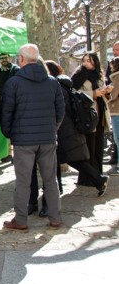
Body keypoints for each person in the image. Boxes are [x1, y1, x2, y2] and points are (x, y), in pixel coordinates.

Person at [1, 43, 64, 231]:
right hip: (47, 138)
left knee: (23, 181)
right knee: (50, 179)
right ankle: (55, 217)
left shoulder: (13, 83)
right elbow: (60, 111)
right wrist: (52, 129)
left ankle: (20, 220)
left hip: (23, 140)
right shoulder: (52, 82)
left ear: (21, 59)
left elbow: (6, 112)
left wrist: (9, 134)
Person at [40, 60, 107, 200]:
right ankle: (97, 180)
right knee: (65, 159)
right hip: (69, 128)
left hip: (63, 130)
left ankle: (98, 179)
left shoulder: (55, 86)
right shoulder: (64, 84)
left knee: (66, 159)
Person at [72, 53, 112, 182]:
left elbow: (103, 95)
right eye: (84, 61)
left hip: (100, 114)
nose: (86, 63)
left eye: (89, 61)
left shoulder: (99, 75)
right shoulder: (78, 75)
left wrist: (106, 92)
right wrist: (93, 94)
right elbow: (74, 94)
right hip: (87, 115)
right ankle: (89, 178)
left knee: (99, 147)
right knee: (89, 146)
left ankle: (98, 174)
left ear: (95, 62)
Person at [106, 57, 119, 176]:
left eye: (112, 65)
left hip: (117, 111)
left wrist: (107, 92)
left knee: (118, 138)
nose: (110, 68)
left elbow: (113, 95)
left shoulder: (117, 77)